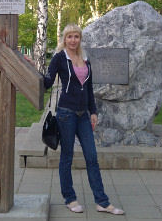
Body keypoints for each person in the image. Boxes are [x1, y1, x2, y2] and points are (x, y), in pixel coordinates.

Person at [43, 23, 125, 215]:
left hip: (83, 116)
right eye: (69, 36)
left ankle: (102, 202)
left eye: (76, 36)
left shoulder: (85, 58)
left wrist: (93, 112)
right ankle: (70, 198)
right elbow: (47, 82)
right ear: (64, 39)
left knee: (92, 157)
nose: (73, 40)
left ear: (80, 39)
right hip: (66, 114)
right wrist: (31, 67)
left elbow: (88, 88)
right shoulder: (59, 58)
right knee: (67, 157)